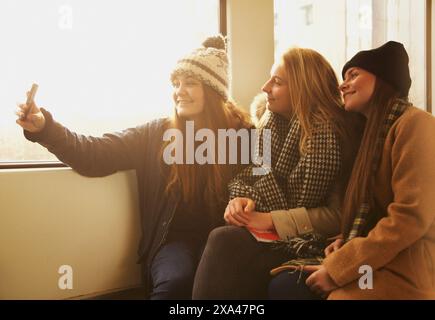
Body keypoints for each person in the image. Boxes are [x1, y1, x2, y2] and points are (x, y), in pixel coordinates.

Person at [15, 35, 251, 300]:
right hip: (173, 242)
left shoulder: (245, 136)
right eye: (176, 83)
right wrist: (45, 128)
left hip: (224, 241)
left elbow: (262, 188)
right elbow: (95, 153)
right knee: (177, 283)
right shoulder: (155, 134)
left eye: (190, 83)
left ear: (214, 90)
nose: (179, 91)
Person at [192, 47, 363, 299]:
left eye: (277, 81)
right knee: (220, 240)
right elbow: (252, 176)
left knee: (224, 244)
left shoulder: (330, 136)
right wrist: (242, 200)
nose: (265, 87)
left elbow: (337, 216)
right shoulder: (270, 126)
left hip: (312, 241)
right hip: (278, 234)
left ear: (304, 88)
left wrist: (270, 219)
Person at [269, 41, 435, 300]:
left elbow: (409, 218)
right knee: (284, 283)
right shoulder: (371, 134)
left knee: (290, 288)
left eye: (354, 75)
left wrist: (340, 268)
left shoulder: (417, 125)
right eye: (344, 77)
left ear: (384, 78)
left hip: (408, 265)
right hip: (382, 259)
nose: (342, 85)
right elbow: (371, 214)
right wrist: (345, 239)